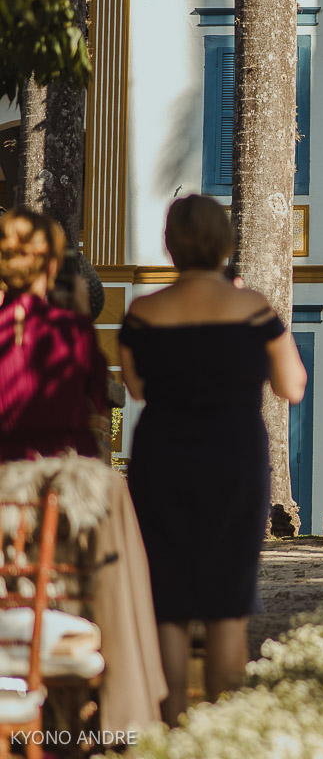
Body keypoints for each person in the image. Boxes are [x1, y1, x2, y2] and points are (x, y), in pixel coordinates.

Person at [119, 194, 307, 725]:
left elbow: (134, 386)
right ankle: (223, 732)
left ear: (170, 246)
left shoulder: (143, 313)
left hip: (162, 457)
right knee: (228, 603)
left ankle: (170, 724)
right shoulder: (256, 312)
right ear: (224, 245)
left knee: (167, 602)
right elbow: (291, 386)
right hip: (234, 457)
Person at [1, 209, 168, 731]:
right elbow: (98, 404)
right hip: (69, 497)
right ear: (51, 267)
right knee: (119, 565)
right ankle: (122, 705)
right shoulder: (71, 331)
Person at [0, 209, 107, 461]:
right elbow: (98, 396)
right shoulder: (72, 330)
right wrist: (82, 316)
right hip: (60, 475)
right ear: (51, 265)